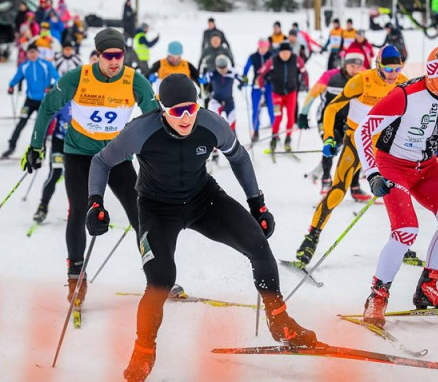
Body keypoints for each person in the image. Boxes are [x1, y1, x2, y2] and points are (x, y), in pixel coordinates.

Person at [85, 74, 318, 380]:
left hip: (203, 199)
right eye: (176, 111)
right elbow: (102, 162)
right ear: (161, 109)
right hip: (157, 208)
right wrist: (95, 203)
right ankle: (144, 350)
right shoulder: (141, 130)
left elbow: (240, 158)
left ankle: (280, 322)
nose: (186, 117)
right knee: (161, 280)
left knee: (259, 247)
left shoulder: (212, 124)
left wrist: (257, 204)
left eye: (191, 108)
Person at [19, 28, 159, 307]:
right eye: (108, 56)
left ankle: (157, 275)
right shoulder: (77, 78)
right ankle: (76, 277)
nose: (115, 61)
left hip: (117, 155)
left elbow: (154, 118)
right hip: (79, 155)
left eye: (119, 55)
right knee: (79, 210)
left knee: (139, 211)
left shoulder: (135, 81)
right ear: (97, 56)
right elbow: (47, 107)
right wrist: (36, 145)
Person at [354, 45, 438, 327]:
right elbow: (363, 130)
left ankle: (428, 284)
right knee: (405, 231)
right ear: (434, 73)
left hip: (426, 167)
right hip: (393, 165)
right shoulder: (405, 95)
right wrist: (372, 173)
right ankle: (377, 296)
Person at [295, 47, 408, 266]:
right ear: (378, 65)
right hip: (356, 141)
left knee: (398, 191)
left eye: (397, 68)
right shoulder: (362, 81)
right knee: (338, 189)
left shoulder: (403, 82)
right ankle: (312, 237)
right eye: (388, 68)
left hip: (384, 146)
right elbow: (331, 108)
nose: (393, 73)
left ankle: (404, 244)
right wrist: (329, 138)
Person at [296, 52, 365, 194]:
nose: (354, 70)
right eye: (352, 66)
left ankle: (355, 186)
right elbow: (312, 94)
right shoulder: (330, 76)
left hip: (349, 120)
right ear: (345, 64)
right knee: (332, 141)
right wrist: (303, 113)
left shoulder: (363, 77)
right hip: (327, 118)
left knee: (356, 148)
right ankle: (326, 179)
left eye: (358, 67)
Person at [2, 43, 60, 157]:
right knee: (21, 122)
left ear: (38, 53)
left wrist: (51, 86)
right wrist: (11, 85)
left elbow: (56, 77)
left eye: (34, 52)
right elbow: (17, 77)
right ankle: (11, 146)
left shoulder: (45, 64)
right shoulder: (24, 66)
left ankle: (40, 150)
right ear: (27, 54)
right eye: (30, 53)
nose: (32, 55)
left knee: (41, 126)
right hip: (29, 100)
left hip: (43, 101)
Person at [257, 41, 308, 152]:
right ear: (279, 53)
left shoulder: (296, 59)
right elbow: (261, 73)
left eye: (287, 52)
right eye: (283, 53)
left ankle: (288, 138)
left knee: (290, 117)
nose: (285, 55)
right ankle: (274, 137)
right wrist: (261, 86)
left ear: (290, 52)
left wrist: (306, 84)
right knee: (278, 117)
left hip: (291, 93)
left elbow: (304, 72)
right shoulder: (273, 61)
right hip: (277, 94)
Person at [32, 102, 71, 223]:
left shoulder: (89, 101)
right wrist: (40, 144)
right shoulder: (64, 101)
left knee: (79, 178)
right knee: (55, 174)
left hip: (77, 146)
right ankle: (42, 207)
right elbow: (46, 119)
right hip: (59, 142)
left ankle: (77, 210)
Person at [242, 40, 275, 141]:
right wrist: (244, 78)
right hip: (257, 84)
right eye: (261, 47)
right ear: (258, 47)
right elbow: (246, 68)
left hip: (270, 84)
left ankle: (275, 130)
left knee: (271, 107)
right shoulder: (253, 56)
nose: (263, 49)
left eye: (265, 47)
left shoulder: (272, 56)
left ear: (267, 47)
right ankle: (255, 131)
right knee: (256, 108)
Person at [204, 55, 237, 134]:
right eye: (220, 68)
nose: (223, 70)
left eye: (224, 67)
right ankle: (217, 141)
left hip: (229, 100)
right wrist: (203, 82)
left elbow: (242, 78)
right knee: (215, 121)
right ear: (217, 67)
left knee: (232, 123)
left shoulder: (232, 72)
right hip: (216, 100)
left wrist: (244, 82)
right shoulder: (212, 73)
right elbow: (203, 80)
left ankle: (235, 142)